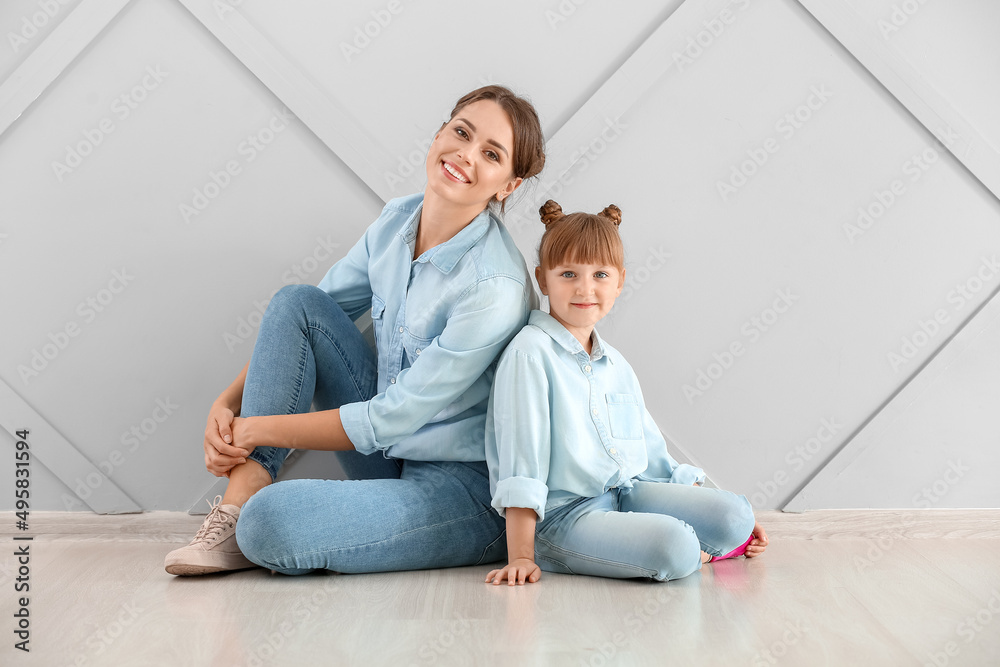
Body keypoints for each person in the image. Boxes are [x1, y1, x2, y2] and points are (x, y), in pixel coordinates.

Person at [164, 84, 546, 576]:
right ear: (438, 134)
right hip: (390, 455)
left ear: (507, 185)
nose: (465, 155)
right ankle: (235, 505)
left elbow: (390, 418)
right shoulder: (394, 222)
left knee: (270, 525)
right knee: (298, 302)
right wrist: (226, 403)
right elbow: (305, 320)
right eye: (461, 132)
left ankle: (251, 520)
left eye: (490, 154)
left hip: (464, 491)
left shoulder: (495, 286)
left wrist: (253, 429)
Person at [485, 200, 768, 586]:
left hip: (628, 493)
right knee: (675, 548)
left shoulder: (615, 364)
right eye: (568, 273)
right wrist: (521, 555)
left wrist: (722, 517)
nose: (585, 288)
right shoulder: (530, 354)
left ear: (619, 281)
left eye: (600, 274)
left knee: (735, 514)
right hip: (565, 516)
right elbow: (522, 461)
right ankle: (682, 552)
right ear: (543, 279)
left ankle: (702, 544)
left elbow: (652, 457)